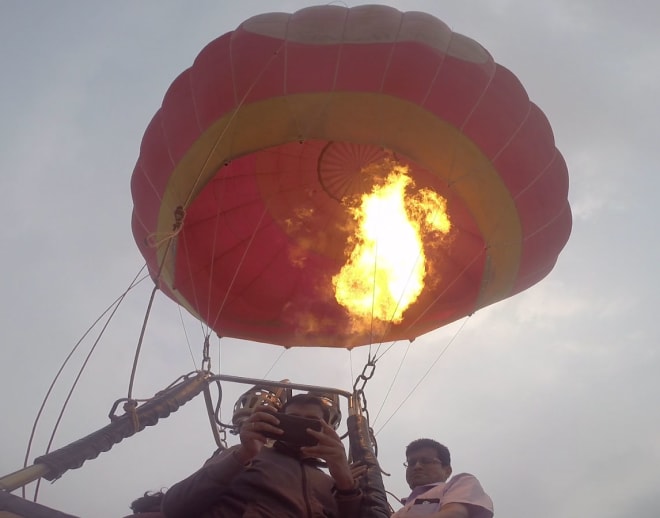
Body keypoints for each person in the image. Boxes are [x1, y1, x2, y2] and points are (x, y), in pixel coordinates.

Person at [161, 393, 363, 517]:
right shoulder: (244, 456)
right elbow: (174, 506)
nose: (302, 425)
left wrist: (346, 483)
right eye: (292, 419)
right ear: (278, 421)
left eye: (311, 421)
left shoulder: (330, 483)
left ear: (326, 429)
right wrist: (243, 454)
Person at [392, 438, 493, 518]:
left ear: (447, 471)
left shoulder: (461, 483)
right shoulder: (401, 510)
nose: (417, 466)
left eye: (426, 461)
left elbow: (455, 515)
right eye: (411, 463)